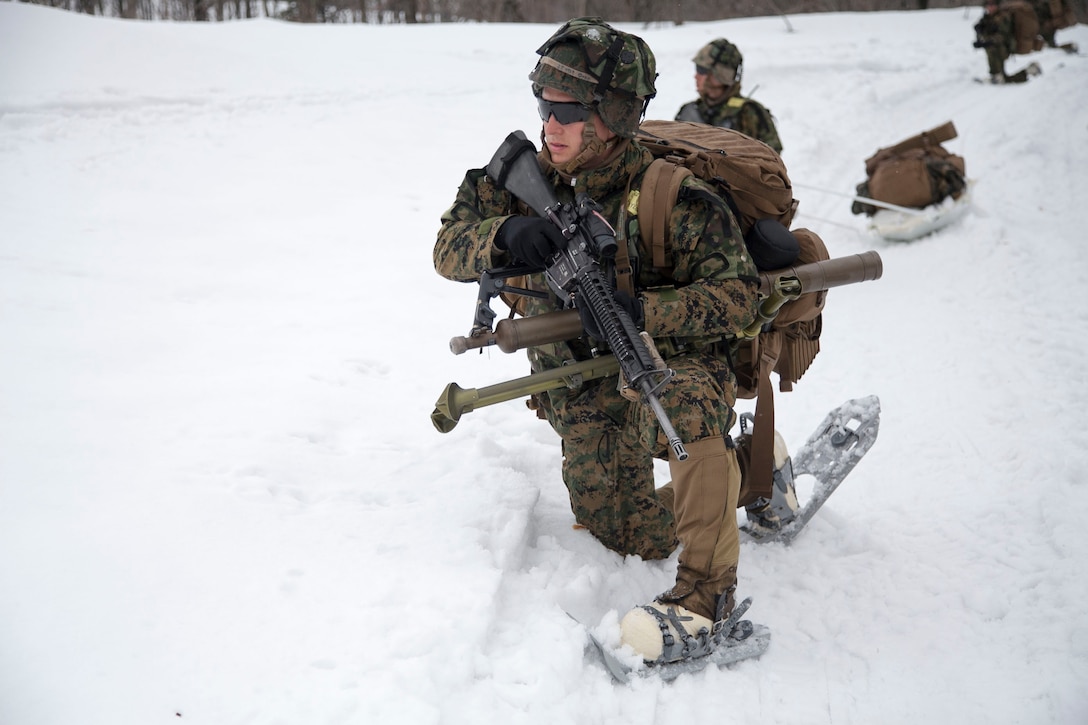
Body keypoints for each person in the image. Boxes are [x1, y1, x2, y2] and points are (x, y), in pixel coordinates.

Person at [434, 18, 786, 664]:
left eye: (568, 110)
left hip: (659, 361)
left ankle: (706, 596)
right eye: (544, 106)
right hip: (582, 381)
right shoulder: (527, 174)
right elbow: (445, 245)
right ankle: (742, 469)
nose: (551, 125)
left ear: (613, 116)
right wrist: (505, 239)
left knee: (681, 407)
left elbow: (741, 296)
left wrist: (646, 308)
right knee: (629, 534)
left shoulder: (671, 197)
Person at [675, 38, 783, 153]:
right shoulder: (689, 112)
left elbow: (771, 161)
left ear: (721, 74)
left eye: (701, 70)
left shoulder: (749, 113)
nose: (696, 76)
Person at [973, 0, 1042, 84]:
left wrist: (989, 42)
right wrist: (979, 31)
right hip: (998, 47)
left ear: (997, 5)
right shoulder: (987, 17)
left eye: (993, 4)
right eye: (988, 4)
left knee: (991, 47)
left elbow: (1003, 35)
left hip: (1006, 47)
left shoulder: (1003, 17)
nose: (990, 7)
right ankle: (998, 74)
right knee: (991, 47)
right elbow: (984, 30)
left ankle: (999, 74)